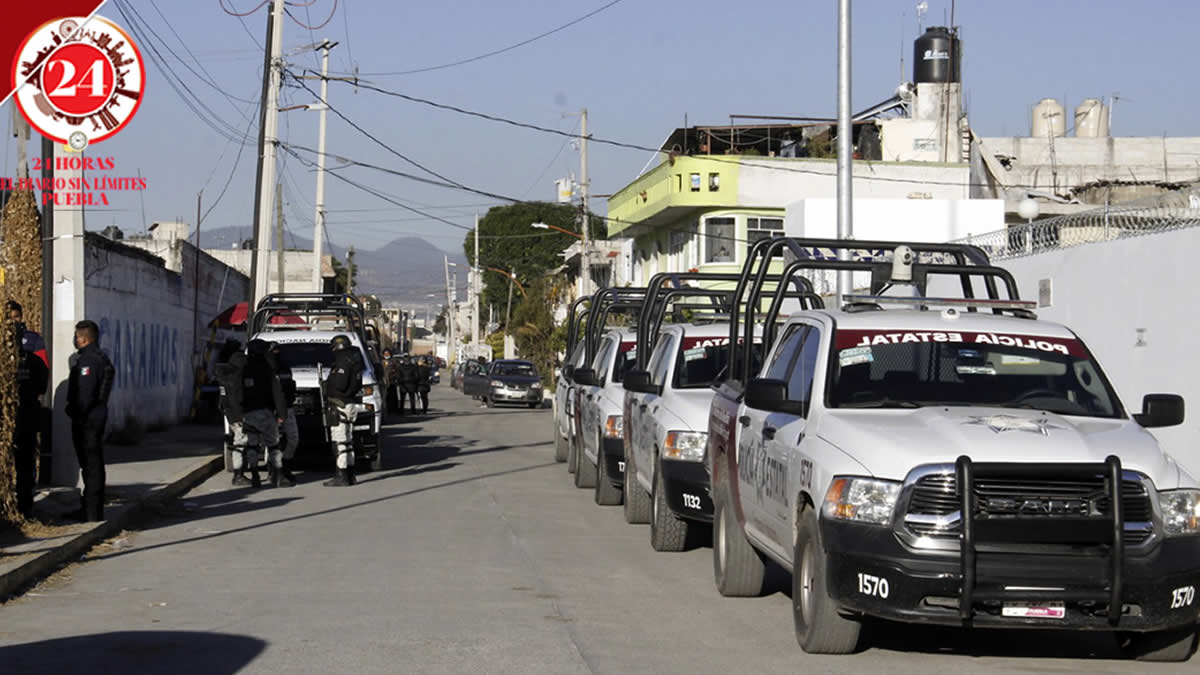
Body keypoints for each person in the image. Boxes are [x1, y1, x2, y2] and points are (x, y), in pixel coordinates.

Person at [65, 320, 115, 522]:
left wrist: (74, 412)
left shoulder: (88, 361)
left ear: (83, 338)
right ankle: (90, 509)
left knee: (91, 466)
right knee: (92, 465)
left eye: (77, 336)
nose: (75, 340)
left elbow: (85, 395)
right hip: (95, 418)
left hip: (88, 421)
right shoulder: (99, 357)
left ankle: (92, 513)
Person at [230, 339, 287, 488]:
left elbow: (236, 394)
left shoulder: (243, 369)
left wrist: (238, 415)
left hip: (249, 413)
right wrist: (282, 414)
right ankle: (278, 475)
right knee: (273, 445)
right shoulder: (268, 368)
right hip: (266, 413)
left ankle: (255, 475)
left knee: (252, 445)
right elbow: (277, 393)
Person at [12, 320, 48, 517]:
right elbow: (42, 387)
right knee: (25, 465)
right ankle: (25, 507)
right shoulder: (36, 362)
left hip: (17, 418)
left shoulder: (8, 362)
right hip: (29, 415)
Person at [322, 334, 366, 486]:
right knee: (348, 441)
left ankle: (341, 475)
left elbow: (340, 384)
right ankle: (350, 474)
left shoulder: (342, 360)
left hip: (339, 404)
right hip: (350, 403)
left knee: (339, 441)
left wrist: (329, 385)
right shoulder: (355, 359)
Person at [265, 342, 299, 487]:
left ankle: (286, 467)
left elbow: (290, 387)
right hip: (272, 410)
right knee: (274, 442)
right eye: (274, 351)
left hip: (288, 408)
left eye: (278, 351)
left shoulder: (285, 367)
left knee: (293, 438)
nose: (276, 353)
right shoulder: (265, 368)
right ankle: (274, 471)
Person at [7, 301, 47, 367]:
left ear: (21, 317)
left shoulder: (34, 339)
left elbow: (42, 367)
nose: (13, 321)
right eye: (9, 317)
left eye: (16, 316)